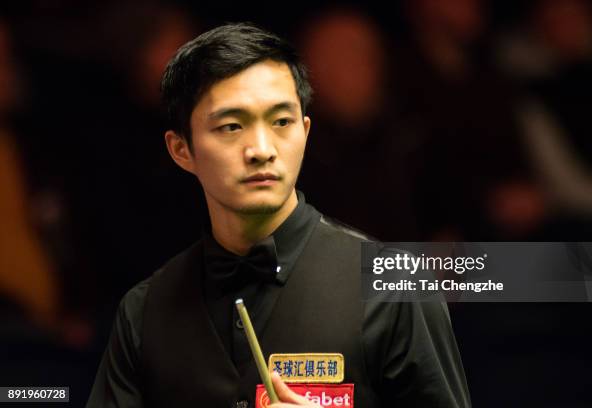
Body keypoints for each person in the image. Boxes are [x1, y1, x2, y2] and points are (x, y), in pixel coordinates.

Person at [86, 23, 470, 407]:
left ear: (305, 131)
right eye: (231, 126)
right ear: (181, 150)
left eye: (281, 122)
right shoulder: (144, 311)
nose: (261, 149)